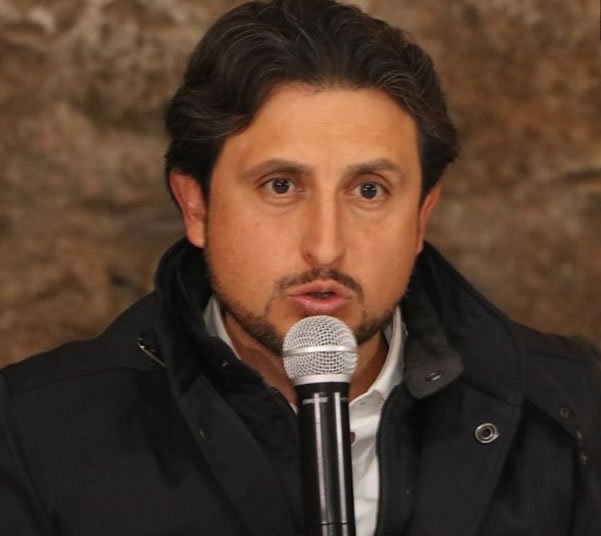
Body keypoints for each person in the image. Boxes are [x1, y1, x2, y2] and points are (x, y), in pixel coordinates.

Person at [2, 0, 600, 534]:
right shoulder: (31, 435)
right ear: (196, 206)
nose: (326, 247)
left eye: (368, 190)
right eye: (281, 185)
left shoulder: (576, 407)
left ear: (421, 216)